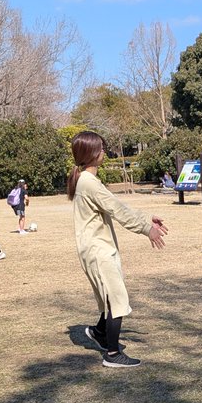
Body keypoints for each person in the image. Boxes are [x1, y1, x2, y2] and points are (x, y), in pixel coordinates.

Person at [68, 130, 169, 369]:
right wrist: (147, 228)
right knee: (116, 298)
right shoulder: (89, 183)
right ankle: (112, 354)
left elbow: (116, 206)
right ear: (90, 153)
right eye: (101, 148)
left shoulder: (87, 180)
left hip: (97, 249)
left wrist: (146, 219)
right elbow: (117, 209)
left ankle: (99, 333)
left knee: (111, 295)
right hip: (97, 250)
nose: (104, 152)